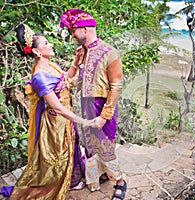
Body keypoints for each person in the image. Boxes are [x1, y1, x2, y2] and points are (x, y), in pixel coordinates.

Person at [0, 24, 91, 199]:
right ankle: (53, 185)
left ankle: (72, 180)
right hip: (55, 124)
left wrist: (76, 61)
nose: (51, 45)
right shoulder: (39, 77)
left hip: (66, 118)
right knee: (57, 159)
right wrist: (84, 121)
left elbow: (67, 79)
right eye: (46, 43)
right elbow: (56, 106)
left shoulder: (52, 66)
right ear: (37, 52)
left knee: (71, 149)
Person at [60, 8, 126, 200]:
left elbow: (117, 86)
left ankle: (120, 182)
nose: (72, 35)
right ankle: (98, 176)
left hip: (103, 106)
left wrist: (105, 116)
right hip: (86, 105)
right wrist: (76, 62)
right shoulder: (83, 53)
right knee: (90, 146)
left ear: (85, 29)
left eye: (74, 31)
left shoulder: (109, 52)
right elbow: (75, 81)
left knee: (106, 147)